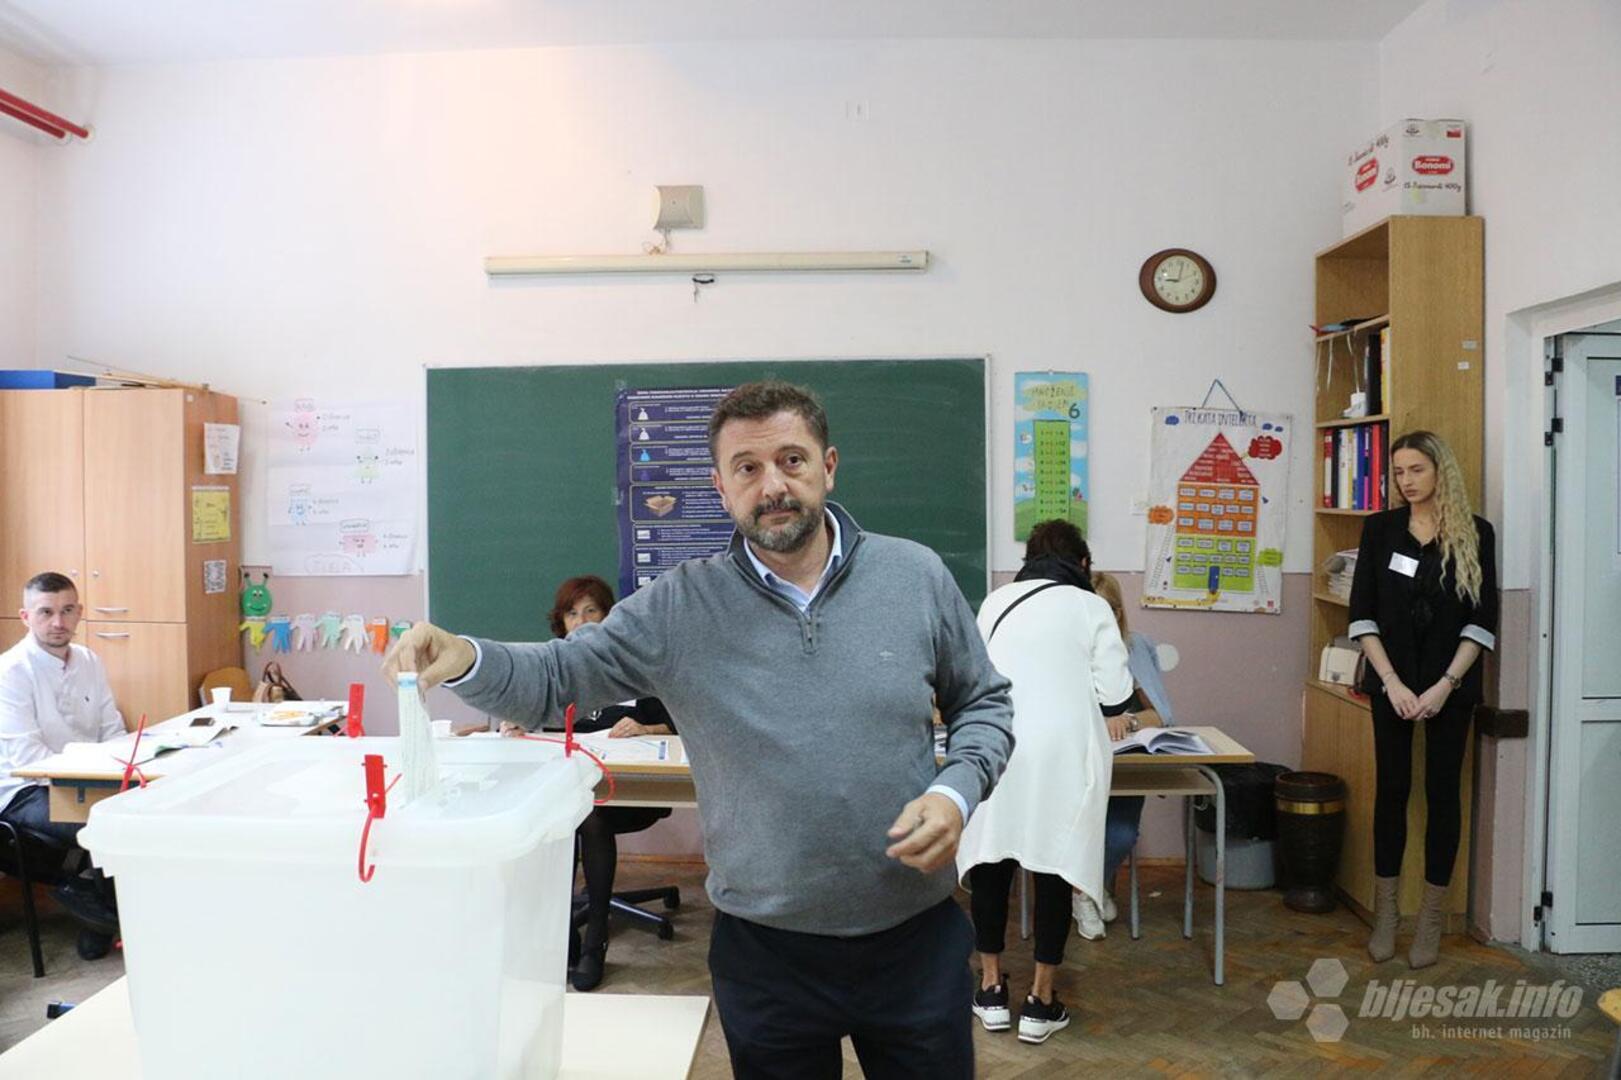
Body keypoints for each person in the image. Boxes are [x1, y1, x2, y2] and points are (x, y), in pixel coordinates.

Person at [386, 380, 1013, 1079]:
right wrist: (465, 658)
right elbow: (557, 676)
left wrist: (956, 792)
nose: (772, 485)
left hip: (913, 941)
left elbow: (983, 702)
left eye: (791, 460)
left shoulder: (915, 576)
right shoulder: (679, 606)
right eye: (747, 468)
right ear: (720, 487)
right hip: (767, 954)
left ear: (828, 466)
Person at [955, 520, 1133, 1045]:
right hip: (1062, 755)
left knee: (992, 864)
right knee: (1055, 868)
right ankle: (1040, 1000)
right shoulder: (1092, 607)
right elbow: (1116, 696)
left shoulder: (995, 602)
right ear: (1083, 563)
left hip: (998, 745)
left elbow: (973, 675)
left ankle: (990, 990)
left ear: (1029, 560)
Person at [1348, 430, 1497, 969]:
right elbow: (1362, 612)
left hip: (1448, 686)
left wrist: (1445, 685)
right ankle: (1387, 914)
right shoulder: (1380, 529)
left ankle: (1431, 919)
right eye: (1398, 472)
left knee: (1442, 793)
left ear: (1440, 472)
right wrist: (1390, 681)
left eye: (1417, 470)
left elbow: (1482, 621)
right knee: (1392, 789)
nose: (1406, 481)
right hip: (1391, 682)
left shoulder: (1476, 533)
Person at [499, 574, 676, 992]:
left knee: (587, 817)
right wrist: (517, 723)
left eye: (591, 611)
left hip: (630, 796)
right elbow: (530, 720)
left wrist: (648, 728)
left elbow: (679, 722)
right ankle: (559, 933)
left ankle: (594, 938)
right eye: (572, 614)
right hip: (569, 794)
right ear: (561, 623)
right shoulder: (552, 673)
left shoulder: (635, 666)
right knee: (568, 815)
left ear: (608, 616)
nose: (581, 621)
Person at [0, 571, 125, 957]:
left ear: (79, 612)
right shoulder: (11, 671)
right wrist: (94, 780)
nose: (58, 622)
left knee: (141, 810)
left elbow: (112, 729)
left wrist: (118, 771)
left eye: (67, 610)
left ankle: (98, 910)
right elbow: (29, 761)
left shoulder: (88, 660)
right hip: (24, 790)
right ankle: (103, 912)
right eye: (46, 612)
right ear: (26, 617)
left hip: (86, 779)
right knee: (106, 821)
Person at [1073, 570, 1175, 941]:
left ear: (1117, 613)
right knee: (1073, 834)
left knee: (1120, 834)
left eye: (1104, 611)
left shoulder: (1136, 647)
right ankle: (1088, 893)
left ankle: (1086, 890)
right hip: (1077, 767)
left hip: (1125, 764)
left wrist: (1127, 720)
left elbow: (1161, 714)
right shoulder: (1064, 649)